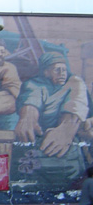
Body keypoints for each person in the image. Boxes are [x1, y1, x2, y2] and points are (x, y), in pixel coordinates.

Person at [12, 51, 90, 190]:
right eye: (57, 69)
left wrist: (66, 129)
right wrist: (27, 118)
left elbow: (75, 105)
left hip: (66, 146)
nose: (62, 73)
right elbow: (30, 102)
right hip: (37, 144)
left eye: (64, 69)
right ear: (46, 72)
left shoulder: (75, 83)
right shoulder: (33, 84)